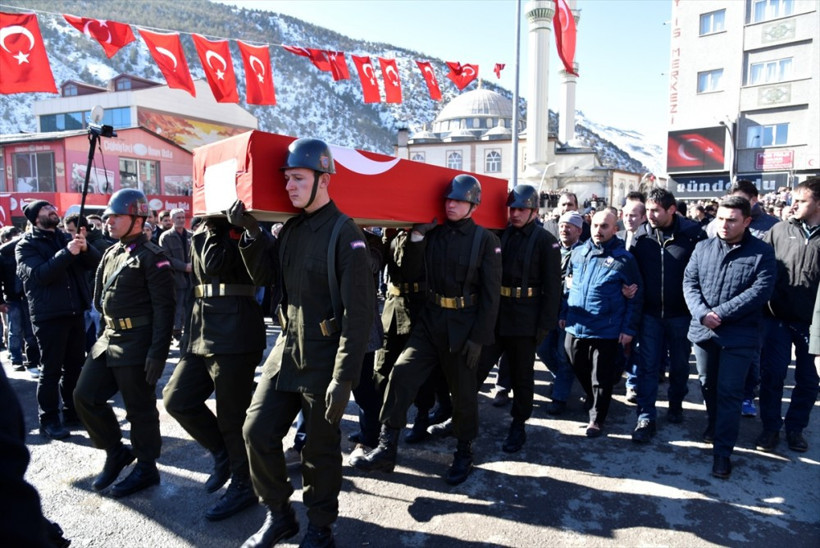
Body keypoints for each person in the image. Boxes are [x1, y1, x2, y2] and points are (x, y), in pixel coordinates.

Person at [232, 138, 374, 548]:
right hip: (286, 349)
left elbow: (359, 315)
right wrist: (251, 234)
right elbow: (265, 279)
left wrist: (343, 379)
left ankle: (320, 527)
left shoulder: (345, 234)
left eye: (298, 178)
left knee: (319, 451)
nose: (290, 186)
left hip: (324, 357)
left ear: (324, 179)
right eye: (287, 179)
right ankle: (280, 515)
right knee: (256, 431)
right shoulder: (292, 229)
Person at [352, 174, 502, 485]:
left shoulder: (485, 241)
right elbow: (408, 270)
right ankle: (386, 447)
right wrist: (418, 235)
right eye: (448, 199)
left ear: (473, 205)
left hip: (463, 328)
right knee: (401, 374)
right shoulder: (434, 234)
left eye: (458, 200)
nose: (451, 205)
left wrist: (479, 338)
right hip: (430, 321)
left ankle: (464, 452)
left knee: (463, 393)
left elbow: (491, 296)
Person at [73, 189, 176, 498]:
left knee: (139, 409)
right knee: (84, 396)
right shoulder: (111, 252)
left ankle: (146, 467)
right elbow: (99, 297)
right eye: (108, 216)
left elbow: (165, 308)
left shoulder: (152, 257)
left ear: (137, 218)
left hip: (138, 344)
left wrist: (158, 353)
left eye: (116, 216)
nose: (109, 221)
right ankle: (116, 451)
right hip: (109, 340)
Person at [162, 216, 266, 521]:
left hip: (235, 330)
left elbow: (214, 263)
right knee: (177, 399)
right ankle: (223, 454)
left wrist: (225, 227)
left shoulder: (242, 231)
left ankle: (244, 484)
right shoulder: (204, 232)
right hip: (201, 330)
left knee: (232, 417)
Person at [683, 196, 776, 478]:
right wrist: (702, 313)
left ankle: (723, 452)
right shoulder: (702, 247)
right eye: (720, 218)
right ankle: (714, 423)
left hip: (739, 336)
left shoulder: (762, 253)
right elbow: (690, 282)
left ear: (747, 221)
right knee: (707, 385)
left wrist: (720, 313)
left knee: (730, 392)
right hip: (704, 331)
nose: (724, 225)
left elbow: (760, 291)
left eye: (732, 220)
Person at [476, 184, 561, 452]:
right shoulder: (501, 235)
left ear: (534, 212)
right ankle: (461, 419)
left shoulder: (546, 241)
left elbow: (553, 288)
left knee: (522, 377)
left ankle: (518, 426)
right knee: (476, 369)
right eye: (512, 208)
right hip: (498, 314)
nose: (515, 213)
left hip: (526, 317)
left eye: (521, 209)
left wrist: (545, 325)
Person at [16, 200, 101, 440]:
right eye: (45, 209)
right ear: (35, 218)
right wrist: (67, 253)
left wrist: (85, 248)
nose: (52, 211)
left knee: (75, 367)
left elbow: (94, 263)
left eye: (53, 208)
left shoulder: (65, 238)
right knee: (51, 370)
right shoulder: (26, 245)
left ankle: (73, 413)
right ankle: (49, 419)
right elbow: (40, 275)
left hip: (75, 312)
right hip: (48, 316)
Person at [630, 188, 706, 443]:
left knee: (680, 365)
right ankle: (646, 415)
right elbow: (633, 271)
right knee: (648, 366)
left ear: (671, 210)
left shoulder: (694, 235)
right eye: (647, 210)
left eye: (655, 211)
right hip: (650, 315)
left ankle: (675, 403)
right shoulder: (641, 236)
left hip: (682, 316)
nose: (649, 215)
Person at [562, 210, 642, 437]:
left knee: (601, 376)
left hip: (606, 328)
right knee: (575, 362)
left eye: (604, 226)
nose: (599, 230)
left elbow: (635, 296)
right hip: (575, 324)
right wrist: (563, 312)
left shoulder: (624, 259)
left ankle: (596, 418)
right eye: (595, 225)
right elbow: (568, 286)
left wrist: (628, 329)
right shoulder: (578, 253)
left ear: (615, 229)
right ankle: (595, 395)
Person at [756, 178, 820, 453]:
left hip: (812, 324)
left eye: (802, 200)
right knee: (772, 375)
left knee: (809, 381)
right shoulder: (779, 231)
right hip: (776, 319)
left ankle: (795, 429)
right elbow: (761, 270)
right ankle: (770, 428)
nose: (793, 204)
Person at [537, 211, 584, 415]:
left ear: (579, 230)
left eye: (570, 226)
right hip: (548, 309)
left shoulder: (583, 252)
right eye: (562, 225)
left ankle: (559, 397)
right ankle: (561, 380)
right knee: (543, 349)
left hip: (570, 311)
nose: (565, 229)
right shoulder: (551, 247)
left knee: (564, 355)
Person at [616, 191, 647, 402]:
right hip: (618, 302)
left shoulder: (648, 240)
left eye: (634, 215)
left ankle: (633, 384)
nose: (629, 219)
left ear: (643, 217)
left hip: (641, 302)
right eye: (626, 214)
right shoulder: (616, 238)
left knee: (636, 346)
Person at [0, 226, 41, 378]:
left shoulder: (27, 251)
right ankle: (16, 359)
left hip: (28, 296)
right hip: (12, 297)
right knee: (14, 330)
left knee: (31, 332)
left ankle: (32, 361)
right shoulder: (4, 255)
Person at [158, 208, 192, 342]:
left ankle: (188, 332)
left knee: (189, 307)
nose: (182, 220)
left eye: (183, 217)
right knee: (177, 308)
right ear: (172, 220)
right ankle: (176, 332)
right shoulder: (165, 237)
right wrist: (184, 267)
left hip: (191, 279)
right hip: (176, 278)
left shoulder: (191, 235)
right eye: (178, 218)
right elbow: (166, 258)